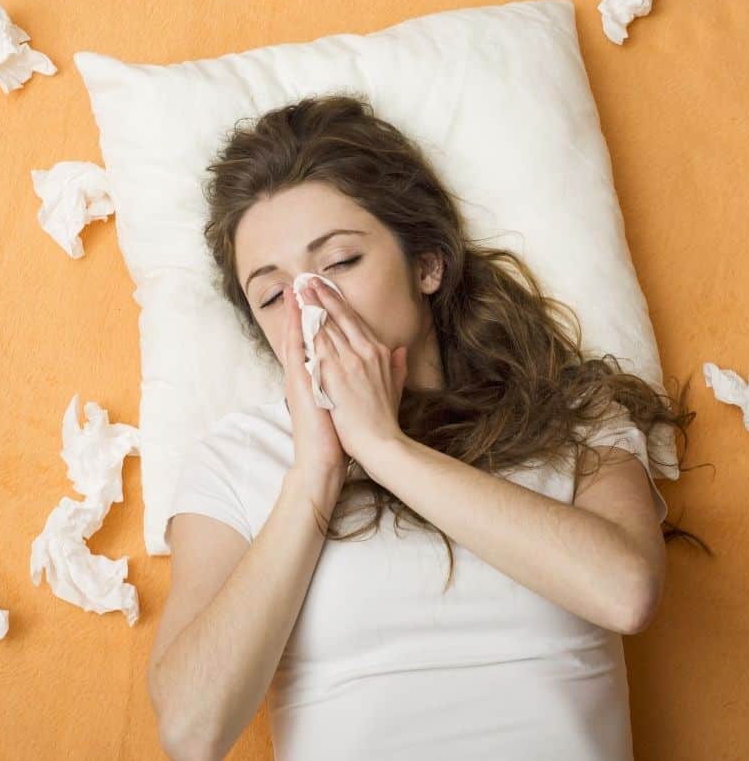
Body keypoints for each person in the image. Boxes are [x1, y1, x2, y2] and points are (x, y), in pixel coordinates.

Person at [147, 93, 706, 760]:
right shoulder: (237, 459)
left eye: (340, 263)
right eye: (272, 295)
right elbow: (189, 730)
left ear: (427, 264)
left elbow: (626, 593)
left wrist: (383, 447)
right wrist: (316, 473)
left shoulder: (574, 414)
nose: (311, 306)